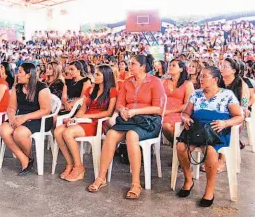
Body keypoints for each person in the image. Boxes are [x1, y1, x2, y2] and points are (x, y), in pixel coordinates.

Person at [87, 54, 165, 199]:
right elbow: (119, 104)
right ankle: (101, 177)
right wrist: (122, 110)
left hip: (148, 121)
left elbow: (158, 109)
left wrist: (135, 111)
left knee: (131, 135)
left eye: (133, 64)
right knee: (110, 135)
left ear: (142, 67)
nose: (130, 66)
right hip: (128, 119)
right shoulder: (127, 82)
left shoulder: (155, 82)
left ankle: (136, 183)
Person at [177, 66, 243, 207]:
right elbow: (185, 113)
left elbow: (239, 117)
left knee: (211, 151)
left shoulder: (227, 94)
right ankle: (188, 180)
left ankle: (209, 190)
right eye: (200, 76)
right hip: (197, 129)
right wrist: (186, 119)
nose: (201, 79)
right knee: (181, 146)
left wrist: (225, 123)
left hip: (216, 131)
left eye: (204, 76)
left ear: (215, 79)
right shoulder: (196, 94)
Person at [54, 65, 117, 181]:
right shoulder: (91, 89)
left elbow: (108, 113)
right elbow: (83, 109)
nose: (94, 76)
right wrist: (75, 118)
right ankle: (70, 164)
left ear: (106, 76)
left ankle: (79, 167)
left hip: (97, 122)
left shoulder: (112, 91)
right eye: (95, 74)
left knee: (68, 133)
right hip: (84, 119)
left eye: (98, 74)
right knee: (58, 131)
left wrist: (86, 116)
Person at [0, 63, 51, 175]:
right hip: (21, 117)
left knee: (19, 133)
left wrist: (25, 118)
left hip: (39, 118)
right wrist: (12, 118)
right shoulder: (17, 88)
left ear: (28, 75)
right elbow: (12, 107)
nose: (17, 75)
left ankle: (28, 158)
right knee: (4, 129)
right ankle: (24, 159)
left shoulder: (42, 87)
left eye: (20, 72)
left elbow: (45, 110)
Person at [162, 60, 194, 142]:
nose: (170, 67)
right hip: (163, 111)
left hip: (179, 112)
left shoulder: (187, 84)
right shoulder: (164, 81)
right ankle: (178, 147)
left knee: (166, 126)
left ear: (181, 69)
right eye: (169, 65)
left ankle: (177, 146)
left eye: (173, 65)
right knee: (163, 124)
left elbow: (188, 105)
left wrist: (169, 111)